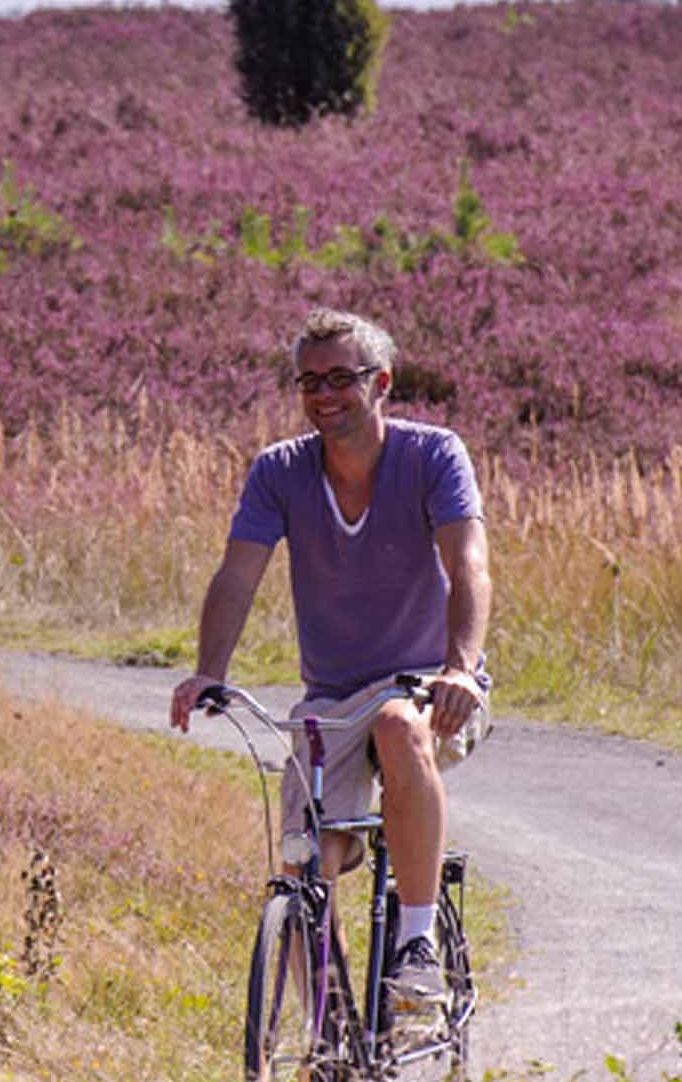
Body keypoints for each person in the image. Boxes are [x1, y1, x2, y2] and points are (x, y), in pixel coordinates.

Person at [169, 308, 493, 1031]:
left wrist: (460, 668)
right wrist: (207, 672)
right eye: (309, 381)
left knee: (395, 725)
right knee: (305, 867)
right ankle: (332, 1033)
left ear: (381, 384)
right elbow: (237, 575)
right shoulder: (280, 472)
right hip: (332, 700)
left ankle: (416, 948)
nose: (324, 396)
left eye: (341, 379)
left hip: (428, 687)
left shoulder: (434, 455)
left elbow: (468, 565)